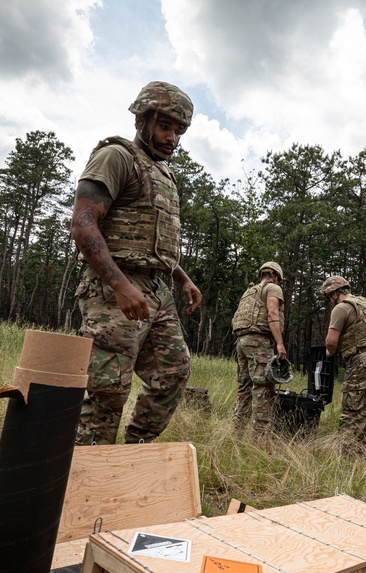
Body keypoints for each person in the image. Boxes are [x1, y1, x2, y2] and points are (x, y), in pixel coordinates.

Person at [71, 81, 202, 446]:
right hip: (115, 290)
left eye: (179, 131)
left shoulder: (164, 173)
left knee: (173, 374)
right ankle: (87, 468)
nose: (172, 138)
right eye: (165, 126)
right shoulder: (117, 156)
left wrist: (182, 279)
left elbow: (152, 242)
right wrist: (119, 285)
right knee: (108, 390)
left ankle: (134, 453)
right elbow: (83, 224)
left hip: (158, 292)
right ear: (142, 120)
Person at [321, 276, 366, 452]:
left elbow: (331, 342)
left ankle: (346, 457)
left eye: (329, 297)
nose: (330, 301)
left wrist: (328, 354)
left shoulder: (341, 308)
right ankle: (365, 455)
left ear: (335, 294)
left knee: (351, 411)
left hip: (364, 360)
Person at [231, 261, 287, 435]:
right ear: (276, 277)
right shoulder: (273, 288)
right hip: (258, 342)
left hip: (242, 341)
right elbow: (272, 313)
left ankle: (237, 433)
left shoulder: (249, 292)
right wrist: (279, 343)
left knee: (244, 388)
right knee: (263, 387)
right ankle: (260, 438)